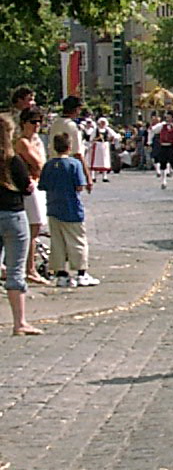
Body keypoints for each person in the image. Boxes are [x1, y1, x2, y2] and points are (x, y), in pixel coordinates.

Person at [0, 114, 40, 335]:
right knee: (16, 270)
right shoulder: (13, 160)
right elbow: (27, 187)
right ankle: (19, 322)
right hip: (13, 215)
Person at [39, 132, 90, 288]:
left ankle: (61, 274)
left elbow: (43, 186)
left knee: (57, 242)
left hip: (53, 207)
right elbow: (79, 186)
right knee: (77, 241)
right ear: (69, 147)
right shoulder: (74, 164)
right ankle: (81, 273)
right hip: (72, 208)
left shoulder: (48, 165)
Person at [14, 106, 47, 285]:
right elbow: (38, 163)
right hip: (30, 186)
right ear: (23, 123)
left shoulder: (37, 141)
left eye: (39, 122)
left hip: (37, 185)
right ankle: (29, 269)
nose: (36, 125)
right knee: (32, 228)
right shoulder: (23, 142)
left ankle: (29, 267)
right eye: (32, 122)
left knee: (35, 228)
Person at [150, 111, 173, 189]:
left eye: (169, 117)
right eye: (166, 117)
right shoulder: (162, 126)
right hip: (163, 146)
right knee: (162, 163)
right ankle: (163, 181)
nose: (167, 119)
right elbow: (153, 130)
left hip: (171, 146)